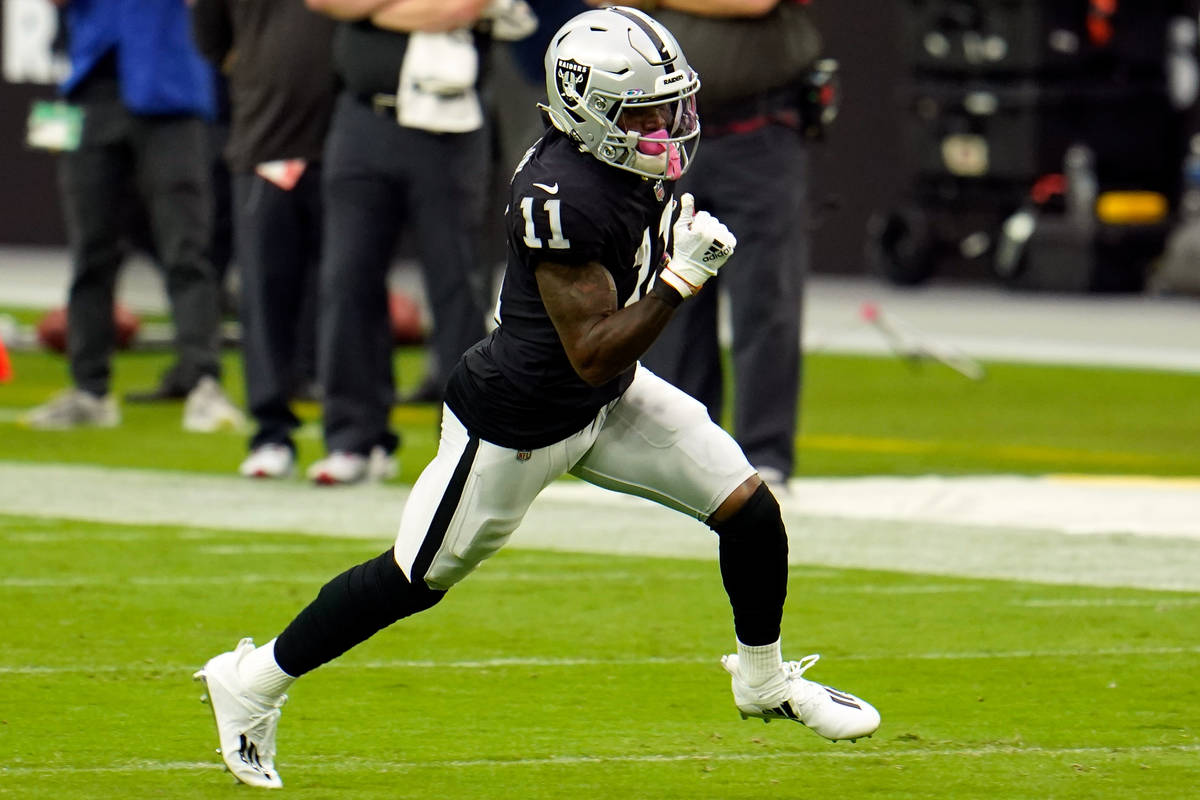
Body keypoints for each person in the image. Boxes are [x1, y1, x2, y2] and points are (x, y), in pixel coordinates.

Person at [194, 7, 878, 789]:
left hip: (606, 400)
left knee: (751, 512)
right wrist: (681, 280)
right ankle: (250, 683)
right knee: (413, 579)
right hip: (518, 422)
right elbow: (589, 354)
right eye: (645, 112)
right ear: (590, 112)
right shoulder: (561, 194)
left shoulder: (616, 159)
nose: (667, 127)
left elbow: (602, 366)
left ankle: (762, 680)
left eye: (671, 105)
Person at [611, 0, 825, 491]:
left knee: (765, 298)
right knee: (665, 293)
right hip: (659, 132)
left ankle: (763, 458)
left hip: (757, 129)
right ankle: (680, 457)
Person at [298, 0, 503, 484]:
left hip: (449, 130)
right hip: (363, 117)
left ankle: (468, 442)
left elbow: (463, 7)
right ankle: (352, 437)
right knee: (346, 278)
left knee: (455, 285)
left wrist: (373, 11)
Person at [23, 0, 244, 434]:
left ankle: (203, 384)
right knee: (91, 252)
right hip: (90, 91)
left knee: (187, 249)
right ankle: (89, 390)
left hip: (171, 93)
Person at [190, 0, 337, 479]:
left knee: (349, 294)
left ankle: (355, 436)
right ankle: (271, 433)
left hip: (346, 145)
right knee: (263, 295)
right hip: (265, 140)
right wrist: (263, 71)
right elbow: (213, 41)